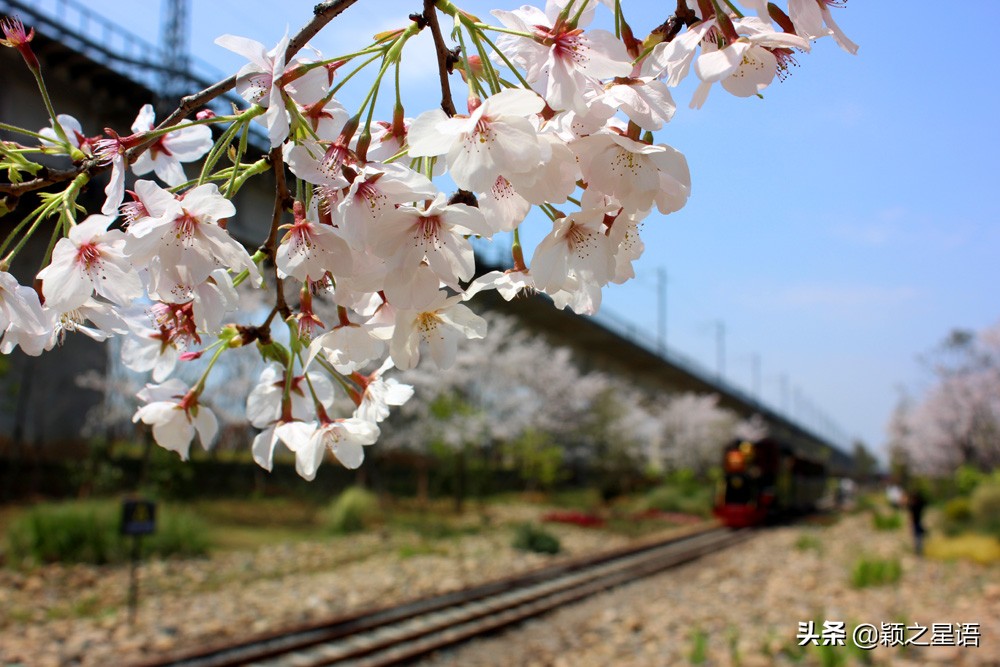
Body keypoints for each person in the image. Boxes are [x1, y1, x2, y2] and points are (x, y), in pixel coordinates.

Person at [906, 487, 927, 556]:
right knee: (918, 537)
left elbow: (911, 516)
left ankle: (918, 551)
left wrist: (910, 525)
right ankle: (918, 550)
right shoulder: (918, 504)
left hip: (917, 522)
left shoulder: (913, 506)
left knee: (917, 537)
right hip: (918, 522)